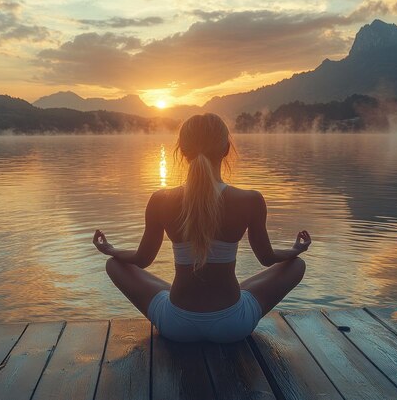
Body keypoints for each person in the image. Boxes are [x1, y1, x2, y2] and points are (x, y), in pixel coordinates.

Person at [93, 113, 310, 343]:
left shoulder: (161, 200)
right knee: (296, 266)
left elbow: (142, 259)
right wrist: (295, 250)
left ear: (182, 151)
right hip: (233, 325)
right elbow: (267, 258)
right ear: (226, 148)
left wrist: (112, 250)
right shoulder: (250, 200)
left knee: (113, 265)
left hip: (176, 324)